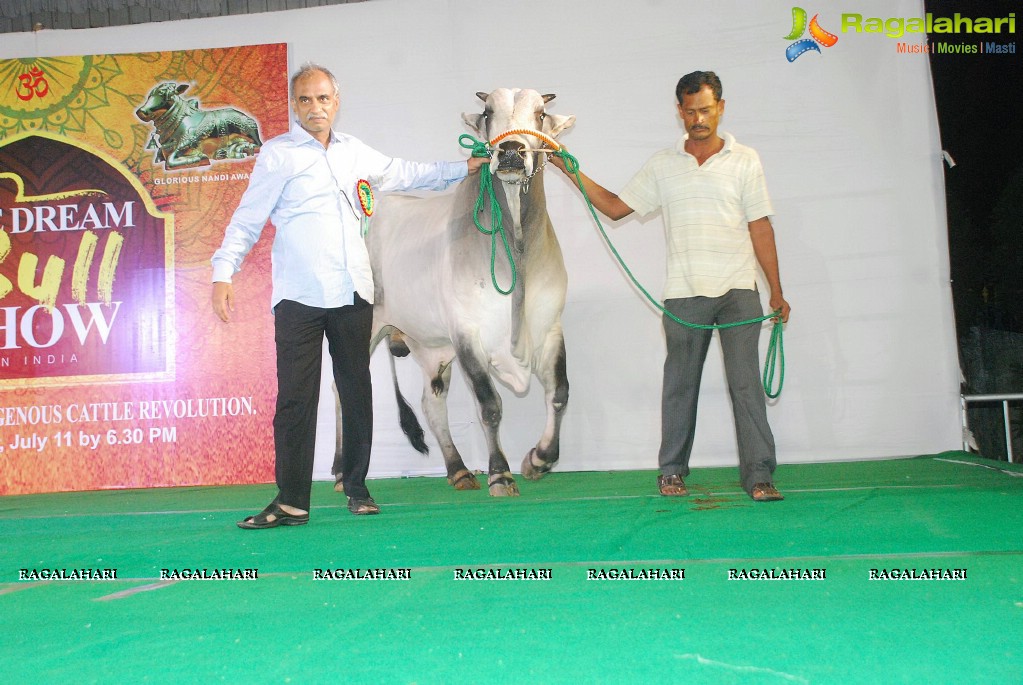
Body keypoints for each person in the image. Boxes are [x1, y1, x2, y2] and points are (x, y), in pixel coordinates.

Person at [212, 63, 486, 528]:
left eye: (323, 98)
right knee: (296, 400)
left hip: (354, 293)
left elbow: (405, 173)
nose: (315, 107)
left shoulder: (355, 152)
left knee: (357, 391)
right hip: (298, 296)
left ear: (335, 103)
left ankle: (358, 489)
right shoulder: (277, 155)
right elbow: (247, 219)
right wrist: (223, 271)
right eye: (304, 99)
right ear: (293, 105)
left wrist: (461, 168)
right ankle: (292, 501)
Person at [553, 70, 790, 502]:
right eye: (690, 111)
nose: (698, 118)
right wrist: (568, 167)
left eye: (705, 109)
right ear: (678, 111)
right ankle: (672, 472)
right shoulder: (663, 165)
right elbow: (614, 207)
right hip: (683, 295)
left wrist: (776, 290)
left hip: (739, 291)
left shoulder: (745, 159)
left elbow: (760, 226)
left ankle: (759, 475)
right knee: (679, 385)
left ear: (720, 107)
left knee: (745, 386)